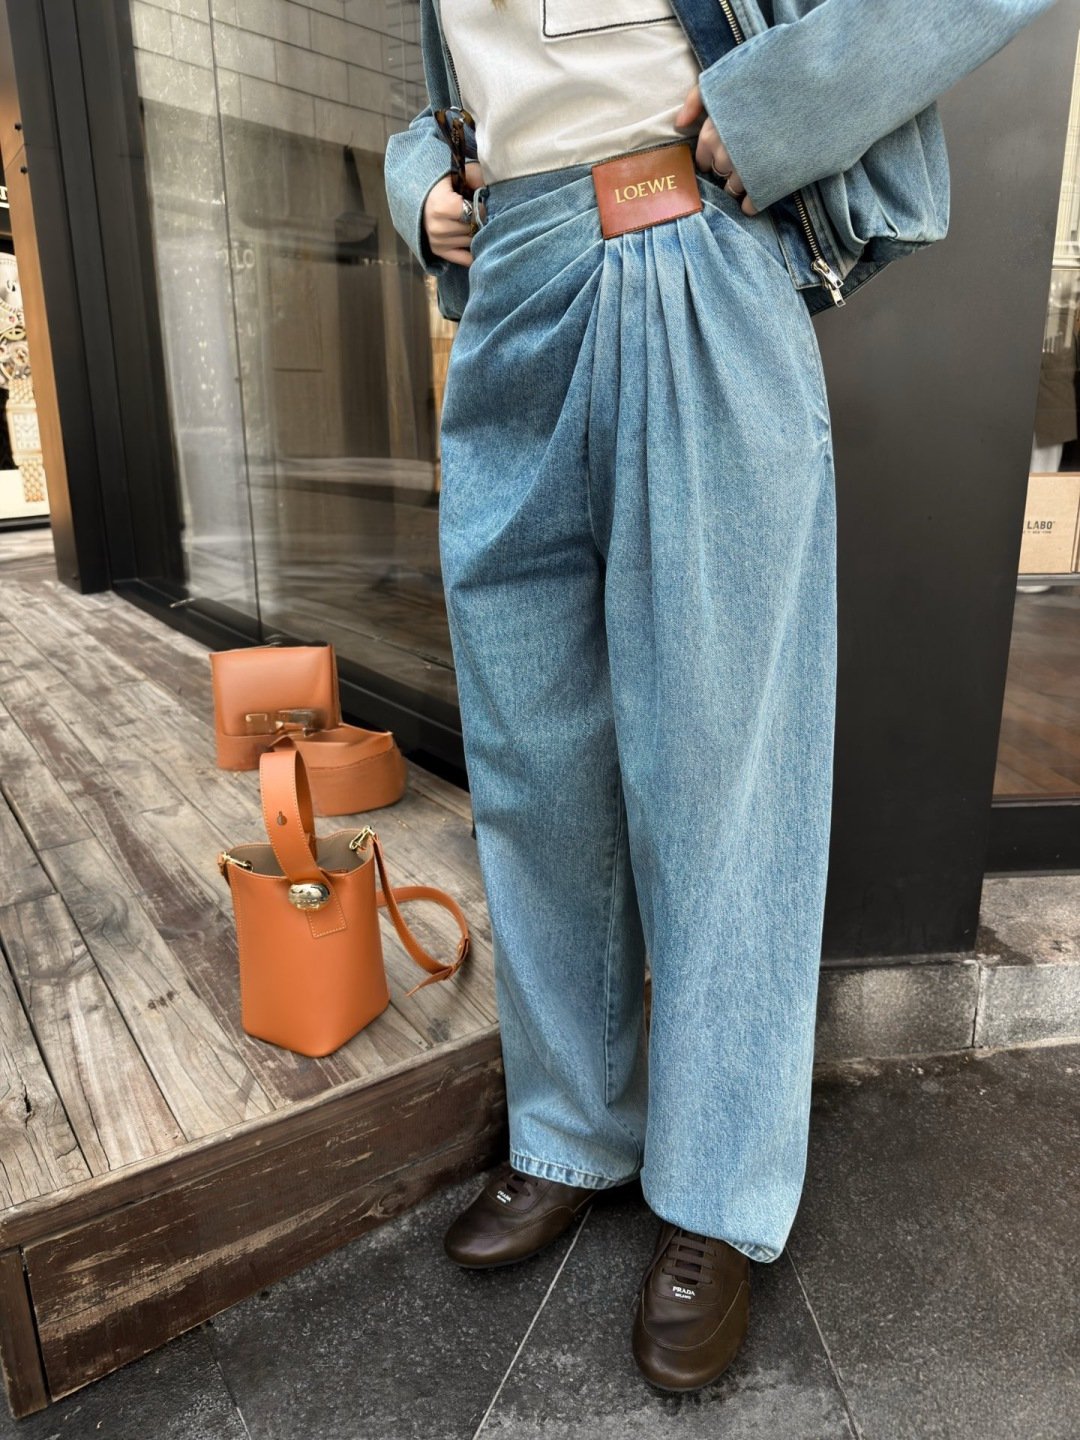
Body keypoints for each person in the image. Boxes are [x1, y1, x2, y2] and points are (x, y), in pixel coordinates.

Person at [385, 0, 1053, 1393]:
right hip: (513, 282)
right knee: (531, 757)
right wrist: (418, 186)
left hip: (686, 238)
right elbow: (472, 79)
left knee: (722, 765)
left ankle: (716, 1187)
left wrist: (790, 102)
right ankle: (571, 1128)